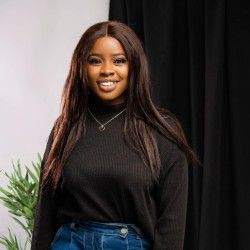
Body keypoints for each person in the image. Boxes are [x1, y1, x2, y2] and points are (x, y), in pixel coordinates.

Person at [31, 21, 198, 250]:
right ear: (82, 67)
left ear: (135, 66)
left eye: (119, 60)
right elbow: (45, 216)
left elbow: (171, 228)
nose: (107, 70)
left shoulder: (162, 132)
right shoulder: (66, 128)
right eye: (95, 61)